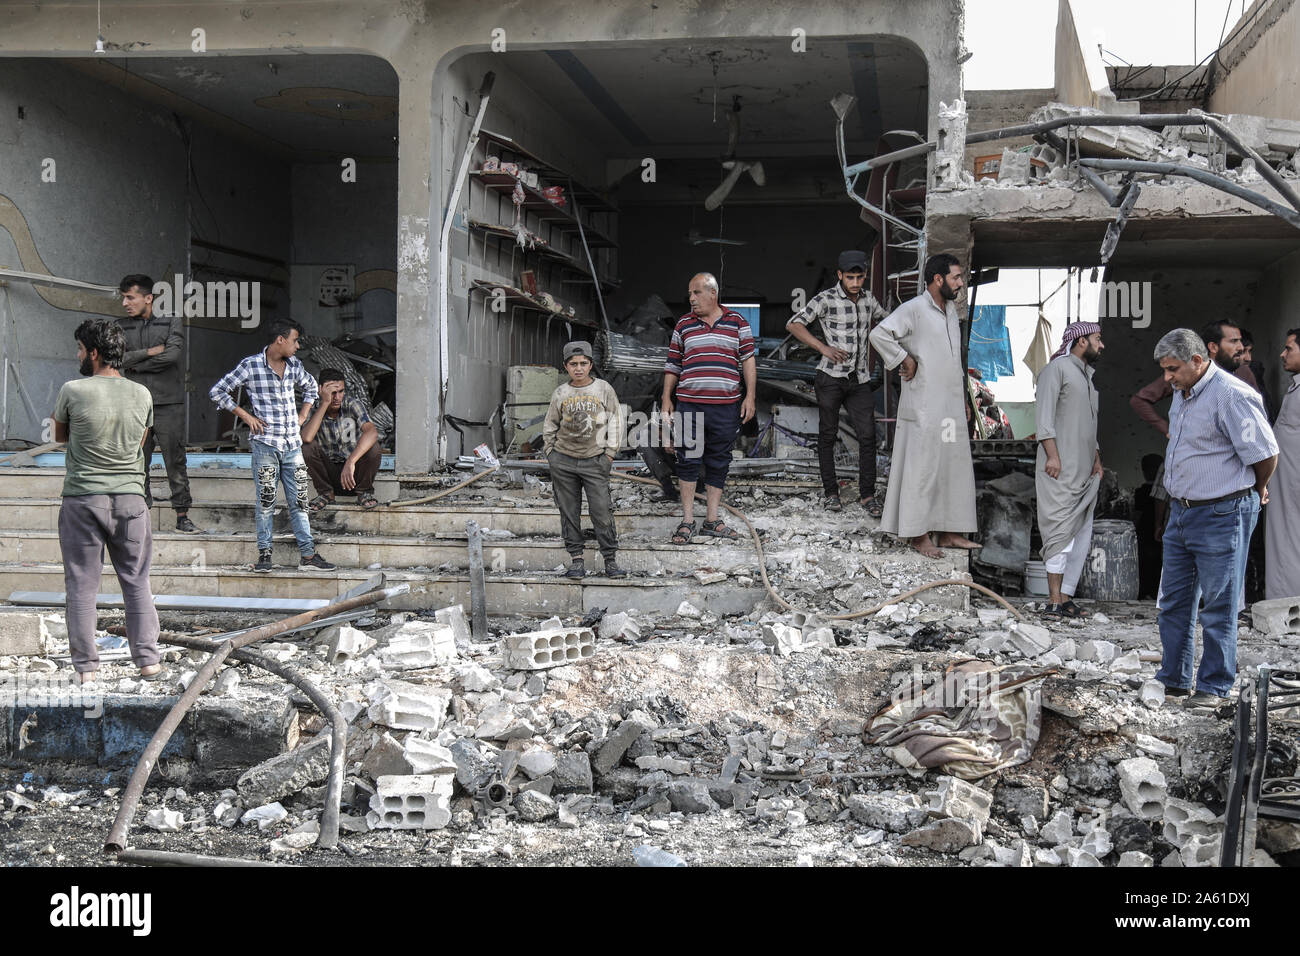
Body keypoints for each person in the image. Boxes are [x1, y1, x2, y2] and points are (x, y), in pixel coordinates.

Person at [1152, 328, 1277, 710]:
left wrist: (1256, 489)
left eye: (1173, 369)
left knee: (1219, 605)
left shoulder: (1231, 394)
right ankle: (1173, 680)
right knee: (1173, 601)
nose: (1167, 378)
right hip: (1183, 511)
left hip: (1224, 511)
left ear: (1196, 360)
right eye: (1164, 370)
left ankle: (1214, 686)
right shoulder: (1181, 393)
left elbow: (1265, 452)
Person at [52, 319, 162, 684]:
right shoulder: (142, 394)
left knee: (82, 585)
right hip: (131, 500)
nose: (79, 355)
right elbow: (141, 442)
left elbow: (60, 437)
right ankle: (148, 662)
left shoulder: (73, 390)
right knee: (136, 581)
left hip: (83, 499)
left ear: (94, 353)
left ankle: (87, 670)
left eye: (81, 349)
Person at [867, 253, 979, 558]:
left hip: (949, 410)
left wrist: (964, 402)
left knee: (950, 466)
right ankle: (918, 535)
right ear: (938, 279)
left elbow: (955, 361)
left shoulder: (951, 314)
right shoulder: (914, 309)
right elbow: (880, 334)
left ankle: (949, 531)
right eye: (956, 277)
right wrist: (905, 359)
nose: (960, 283)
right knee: (923, 468)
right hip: (924, 409)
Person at [209, 319, 335, 573]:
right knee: (266, 501)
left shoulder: (295, 365)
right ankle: (265, 555)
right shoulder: (251, 365)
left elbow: (312, 388)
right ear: (281, 340)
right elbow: (218, 392)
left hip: (292, 446)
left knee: (300, 501)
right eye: (295, 340)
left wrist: (303, 416)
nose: (298, 346)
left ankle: (308, 556)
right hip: (265, 445)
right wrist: (246, 417)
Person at [785, 250, 888, 516]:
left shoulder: (868, 300)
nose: (855, 282)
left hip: (859, 379)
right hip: (830, 378)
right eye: (850, 277)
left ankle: (867, 496)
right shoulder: (826, 298)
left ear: (865, 275)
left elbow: (888, 322)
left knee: (868, 437)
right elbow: (794, 324)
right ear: (840, 275)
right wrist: (823, 348)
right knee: (827, 437)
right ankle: (831, 493)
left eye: (860, 277)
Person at [662, 272, 756, 544]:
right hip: (689, 405)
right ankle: (688, 521)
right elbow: (672, 364)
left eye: (696, 293)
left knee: (719, 461)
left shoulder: (737, 322)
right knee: (688, 460)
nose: (691, 298)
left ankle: (712, 520)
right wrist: (666, 398)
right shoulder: (684, 324)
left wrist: (750, 396)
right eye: (690, 294)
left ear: (713, 293)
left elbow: (748, 361)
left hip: (726, 407)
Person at [116, 274, 199, 534]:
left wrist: (136, 363)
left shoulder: (171, 321)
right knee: (137, 461)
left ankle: (182, 515)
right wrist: (150, 352)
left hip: (168, 403)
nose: (125, 303)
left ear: (148, 298)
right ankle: (141, 514)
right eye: (123, 297)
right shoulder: (120, 326)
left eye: (130, 297)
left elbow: (173, 355)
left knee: (175, 460)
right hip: (134, 404)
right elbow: (117, 359)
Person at [1035, 323, 1105, 617]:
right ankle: (1053, 600)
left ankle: (1065, 598)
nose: (1101, 345)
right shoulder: (1057, 369)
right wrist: (1052, 456)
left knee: (1080, 535)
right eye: (1097, 339)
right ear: (1080, 341)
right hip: (1059, 469)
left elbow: (1089, 426)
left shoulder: (1086, 378)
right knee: (1058, 533)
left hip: (1084, 471)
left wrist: (1097, 459)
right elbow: (1044, 417)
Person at [542, 341, 625, 579]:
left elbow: (616, 421)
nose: (578, 368)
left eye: (583, 363)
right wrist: (551, 453)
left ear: (590, 365)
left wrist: (610, 454)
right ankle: (576, 559)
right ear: (566, 367)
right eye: (573, 364)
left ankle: (610, 560)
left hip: (595, 460)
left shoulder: (603, 389)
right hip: (563, 461)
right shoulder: (561, 393)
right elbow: (550, 425)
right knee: (569, 511)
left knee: (601, 511)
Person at [1129, 319, 1258, 436]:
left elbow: (1256, 416)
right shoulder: (1184, 372)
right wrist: (1168, 431)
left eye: (1240, 341)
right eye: (1234, 341)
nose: (1241, 347)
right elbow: (1139, 400)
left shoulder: (1243, 372)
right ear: (1213, 347)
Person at [301, 368, 382, 512]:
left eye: (341, 391)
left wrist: (351, 461)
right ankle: (325, 494)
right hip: (330, 473)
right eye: (332, 393)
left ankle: (364, 492)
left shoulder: (352, 404)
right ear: (321, 390)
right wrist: (325, 403)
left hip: (353, 474)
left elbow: (372, 432)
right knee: (306, 447)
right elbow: (306, 438)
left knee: (373, 447)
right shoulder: (313, 408)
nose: (337, 397)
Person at [1265, 328, 1300, 599]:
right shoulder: (1294, 387)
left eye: (1289, 348)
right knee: (1282, 539)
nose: (1282, 354)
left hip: (1294, 482)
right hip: (1284, 481)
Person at [1133, 453, 1165, 600]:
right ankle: (1155, 592)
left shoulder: (1141, 492)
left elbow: (1137, 514)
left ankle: (1145, 591)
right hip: (1159, 531)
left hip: (1145, 533)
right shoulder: (1144, 492)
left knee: (1145, 564)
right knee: (1158, 564)